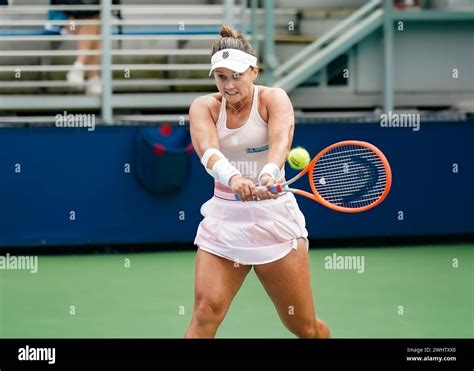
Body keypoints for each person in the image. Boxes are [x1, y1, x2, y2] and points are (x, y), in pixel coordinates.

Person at [185, 25, 331, 339]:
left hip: (274, 219)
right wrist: (234, 178)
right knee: (205, 313)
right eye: (221, 77)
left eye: (236, 75)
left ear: (254, 71)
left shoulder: (274, 98)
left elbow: (281, 141)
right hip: (224, 221)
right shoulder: (204, 107)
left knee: (303, 326)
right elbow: (207, 150)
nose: (229, 84)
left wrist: (267, 175)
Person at [52, 0, 102, 95]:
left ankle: (80, 68)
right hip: (67, 18)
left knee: (95, 22)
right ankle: (92, 77)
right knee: (93, 23)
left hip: (86, 18)